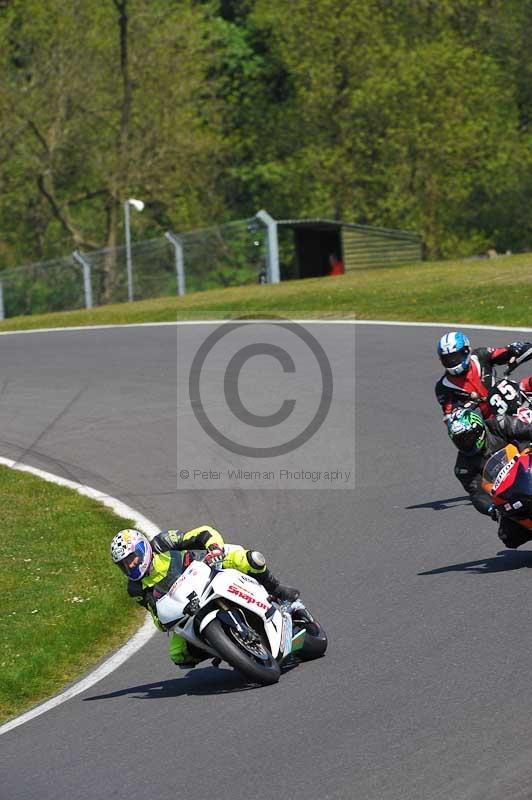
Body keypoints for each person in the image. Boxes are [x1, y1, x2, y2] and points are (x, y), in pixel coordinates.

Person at [110, 525, 299, 667]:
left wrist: (214, 548)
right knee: (178, 654)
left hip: (210, 567)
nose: (131, 565)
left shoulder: (162, 543)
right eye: (124, 564)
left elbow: (202, 533)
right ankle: (225, 647)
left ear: (143, 548)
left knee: (251, 559)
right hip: (188, 606)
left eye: (132, 557)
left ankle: (276, 590)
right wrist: (164, 621)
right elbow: (157, 618)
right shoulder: (136, 589)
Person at [447, 408, 532, 547]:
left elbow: (527, 430)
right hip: (512, 492)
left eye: (467, 439)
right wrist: (492, 509)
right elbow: (477, 494)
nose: (465, 444)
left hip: (528, 465)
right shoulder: (463, 468)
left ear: (478, 429)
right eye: (459, 441)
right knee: (508, 535)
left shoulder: (500, 424)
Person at [435, 331, 532, 422]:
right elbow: (450, 419)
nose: (452, 362)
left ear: (466, 351)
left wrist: (517, 349)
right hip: (489, 427)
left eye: (455, 358)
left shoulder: (480, 356)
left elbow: (503, 352)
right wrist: (465, 409)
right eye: (448, 359)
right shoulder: (444, 387)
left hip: (509, 398)